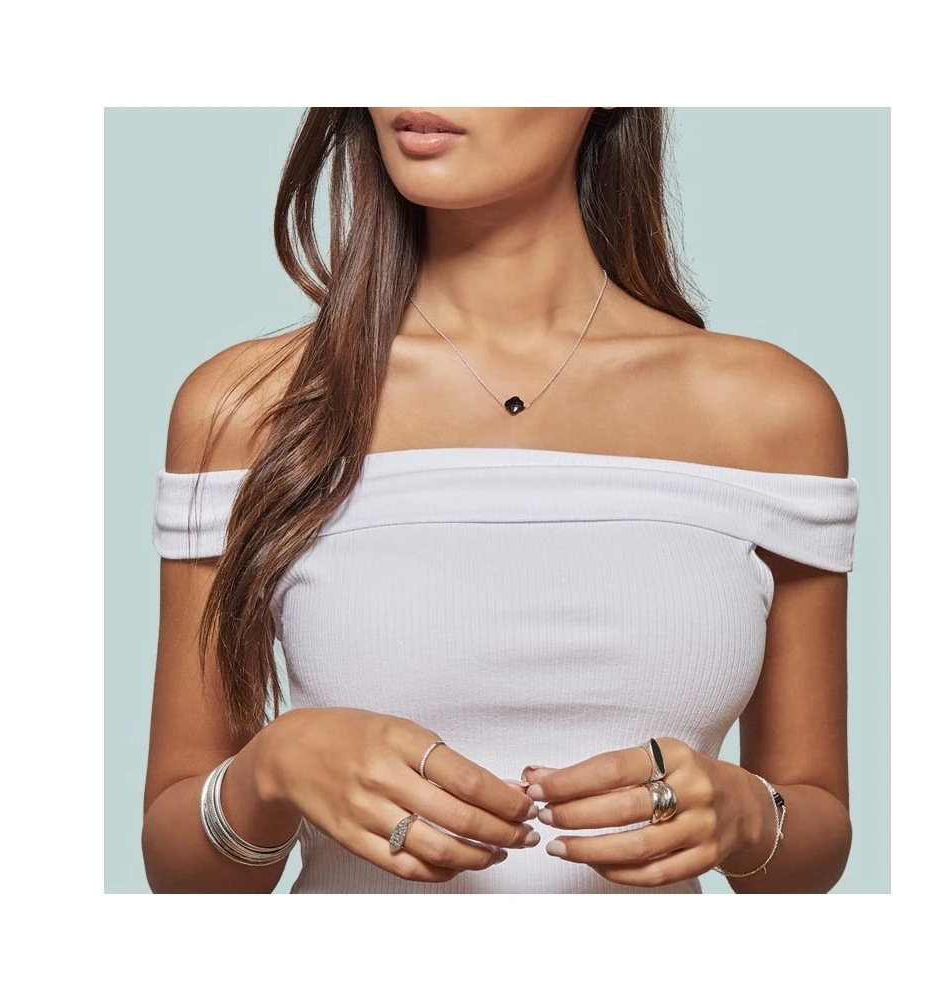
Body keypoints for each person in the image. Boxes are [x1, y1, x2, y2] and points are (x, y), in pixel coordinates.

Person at [142, 107, 859, 894]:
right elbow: (182, 878)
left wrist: (747, 815)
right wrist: (267, 773)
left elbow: (813, 844)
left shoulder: (771, 414)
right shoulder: (247, 410)